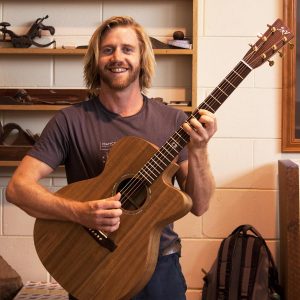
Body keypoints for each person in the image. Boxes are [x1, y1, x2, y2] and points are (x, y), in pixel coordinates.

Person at [6, 16, 217, 300]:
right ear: (96, 60)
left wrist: (199, 150)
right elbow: (18, 189)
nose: (117, 57)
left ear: (142, 59)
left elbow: (200, 205)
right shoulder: (69, 121)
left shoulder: (174, 122)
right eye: (108, 50)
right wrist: (80, 212)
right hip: (94, 263)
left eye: (127, 49)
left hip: (159, 270)